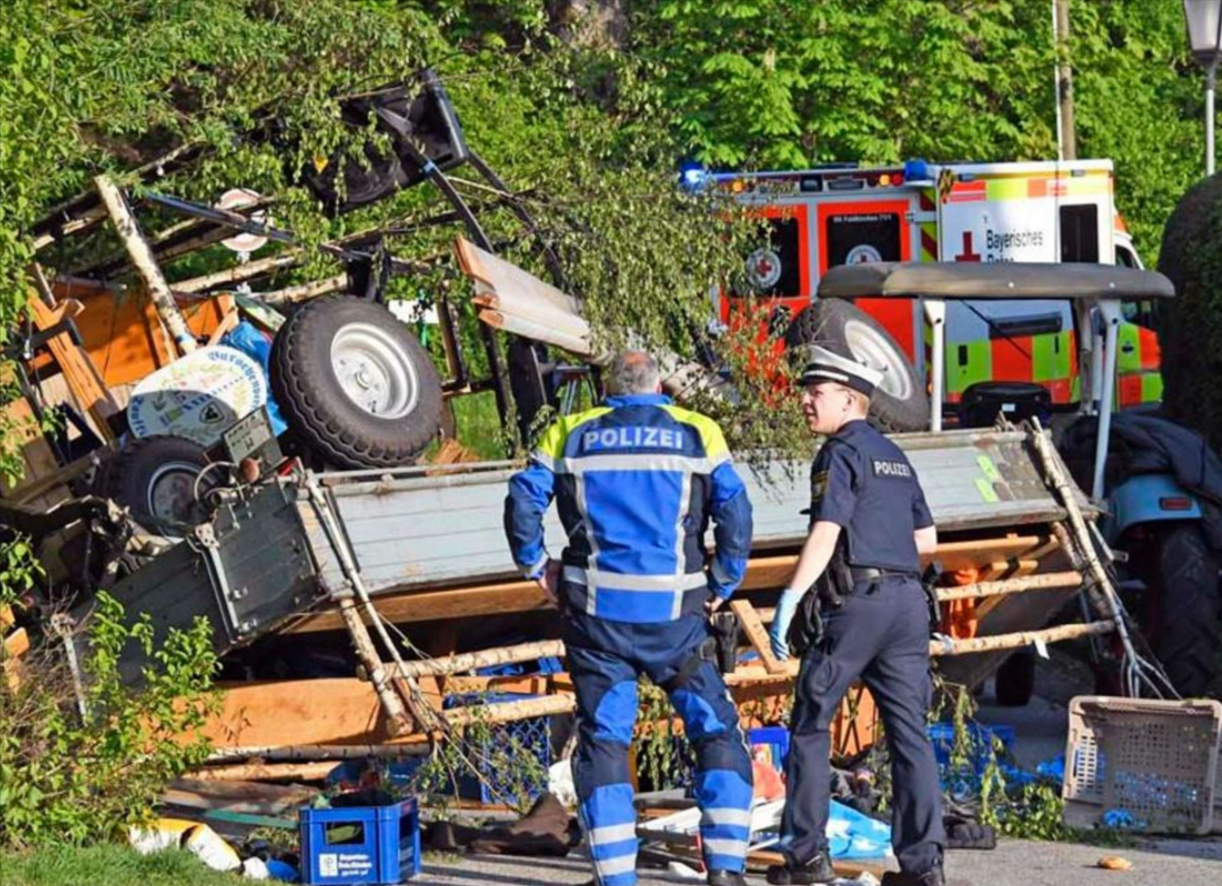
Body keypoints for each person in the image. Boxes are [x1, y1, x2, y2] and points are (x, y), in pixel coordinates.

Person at [504, 350, 756, 886]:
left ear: (607, 387)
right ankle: (728, 870)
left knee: (605, 742)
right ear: (659, 383)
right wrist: (722, 583)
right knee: (715, 731)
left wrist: (536, 565)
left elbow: (523, 499)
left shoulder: (569, 431)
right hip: (677, 623)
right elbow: (735, 511)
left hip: (599, 623)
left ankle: (617, 878)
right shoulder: (699, 432)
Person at [766, 346, 946, 886]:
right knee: (909, 733)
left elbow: (827, 529)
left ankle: (805, 859)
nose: (804, 401)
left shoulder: (839, 452)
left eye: (815, 392)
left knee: (811, 724)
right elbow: (927, 540)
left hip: (859, 607)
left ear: (850, 399)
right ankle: (923, 868)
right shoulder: (895, 455)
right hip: (909, 606)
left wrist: (792, 596)